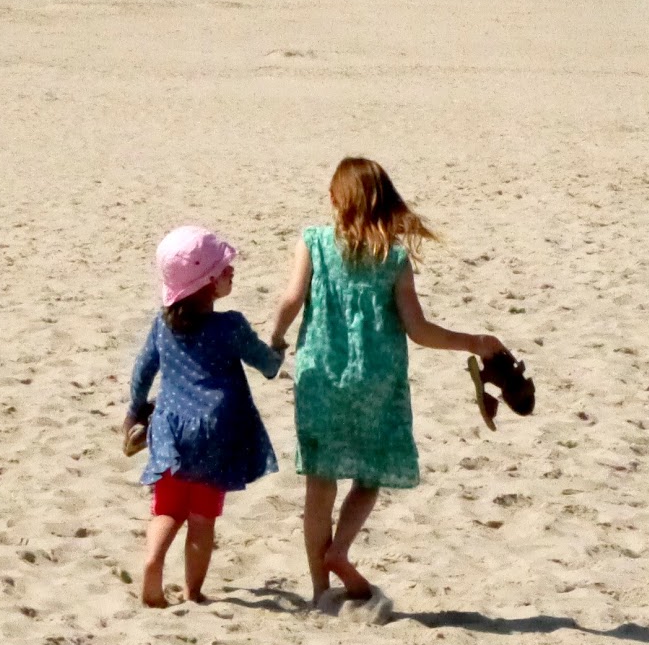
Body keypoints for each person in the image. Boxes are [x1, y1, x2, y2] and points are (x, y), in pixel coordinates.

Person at [269, 158, 505, 604]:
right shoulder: (393, 256)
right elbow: (418, 329)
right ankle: (339, 551)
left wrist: (275, 338)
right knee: (368, 476)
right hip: (377, 379)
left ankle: (320, 588)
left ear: (337, 199)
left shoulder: (313, 241)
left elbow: (291, 298)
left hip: (321, 377)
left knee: (319, 483)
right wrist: (474, 342)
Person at [123, 226, 283, 607]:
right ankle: (193, 592)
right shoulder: (230, 326)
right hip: (218, 430)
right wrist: (277, 346)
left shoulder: (163, 326)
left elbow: (143, 370)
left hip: (170, 428)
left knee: (167, 508)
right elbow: (268, 366)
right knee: (201, 519)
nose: (232, 272)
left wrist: (133, 412)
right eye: (225, 269)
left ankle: (153, 561)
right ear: (209, 283)